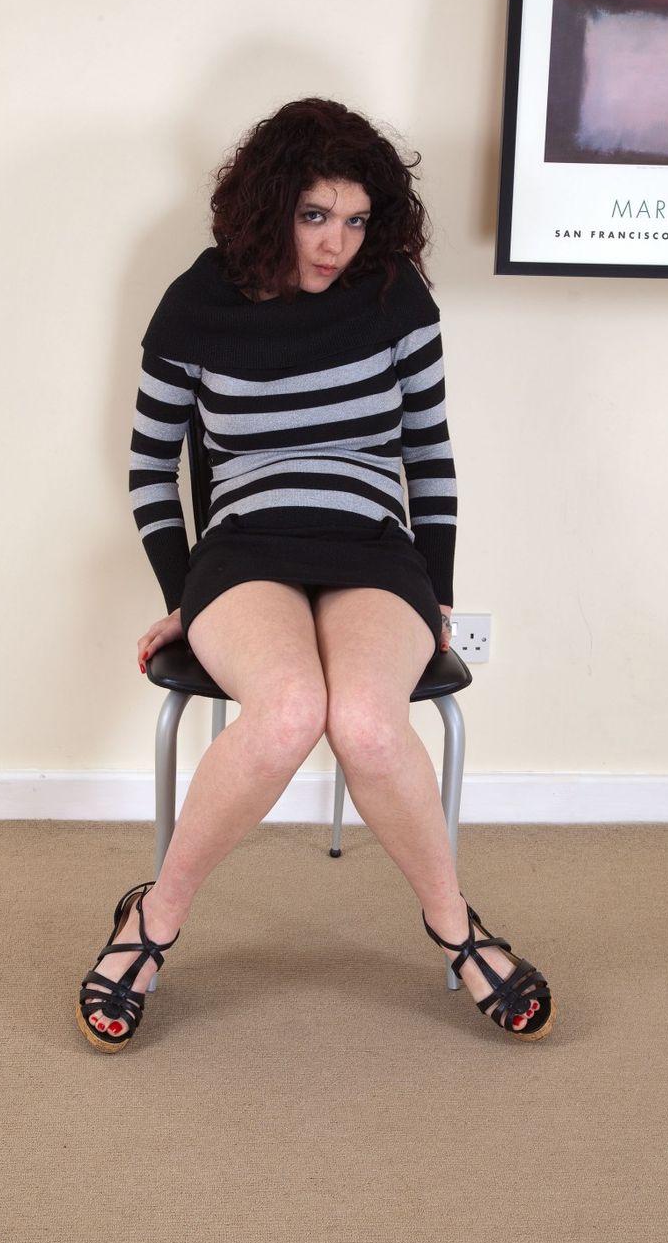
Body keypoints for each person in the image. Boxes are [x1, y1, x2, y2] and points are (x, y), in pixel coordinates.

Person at [76, 97, 555, 1052]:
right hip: (244, 548)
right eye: (314, 215)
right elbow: (150, 469)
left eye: (357, 219)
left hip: (373, 545)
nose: (337, 242)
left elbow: (428, 456)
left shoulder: (394, 296)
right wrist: (181, 596)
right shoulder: (195, 304)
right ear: (269, 206)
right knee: (290, 710)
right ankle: (153, 919)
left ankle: (453, 927)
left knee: (368, 723)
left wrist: (437, 588)